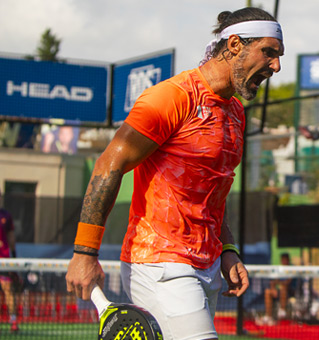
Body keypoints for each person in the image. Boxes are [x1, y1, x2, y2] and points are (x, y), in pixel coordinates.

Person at [65, 7, 284, 340]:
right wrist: (85, 252)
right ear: (235, 45)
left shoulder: (236, 112)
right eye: (268, 52)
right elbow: (109, 165)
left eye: (278, 56)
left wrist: (228, 250)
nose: (276, 66)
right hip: (159, 261)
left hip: (207, 266)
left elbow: (213, 193)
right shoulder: (171, 97)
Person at [0, 190, 19, 333]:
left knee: (8, 290)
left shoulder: (6, 215)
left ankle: (13, 321)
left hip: (4, 260)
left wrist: (14, 257)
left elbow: (11, 237)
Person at [260, 253, 296, 325]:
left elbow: (287, 282)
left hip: (290, 292)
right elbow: (273, 282)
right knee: (267, 292)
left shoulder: (292, 269)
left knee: (283, 288)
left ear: (288, 260)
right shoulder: (279, 269)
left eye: (285, 260)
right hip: (279, 292)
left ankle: (282, 311)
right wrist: (273, 289)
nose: (284, 261)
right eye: (283, 260)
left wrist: (279, 283)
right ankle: (268, 316)